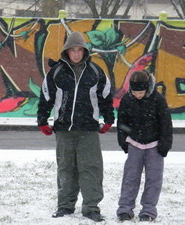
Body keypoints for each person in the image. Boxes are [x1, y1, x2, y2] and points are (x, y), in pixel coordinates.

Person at [37, 31, 115, 222]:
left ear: (85, 52)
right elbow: (46, 97)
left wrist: (109, 119)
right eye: (73, 50)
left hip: (88, 129)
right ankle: (65, 205)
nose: (76, 54)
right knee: (66, 168)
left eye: (80, 50)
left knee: (91, 168)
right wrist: (42, 120)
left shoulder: (96, 72)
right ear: (67, 52)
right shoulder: (56, 72)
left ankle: (91, 207)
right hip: (64, 129)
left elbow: (105, 97)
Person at [116, 70, 173, 222]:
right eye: (134, 92)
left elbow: (166, 124)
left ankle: (148, 210)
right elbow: (121, 122)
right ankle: (125, 209)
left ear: (147, 88)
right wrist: (123, 140)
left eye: (140, 92)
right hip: (134, 144)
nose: (137, 95)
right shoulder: (127, 100)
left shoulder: (158, 100)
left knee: (154, 179)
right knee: (130, 177)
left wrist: (164, 145)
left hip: (155, 145)